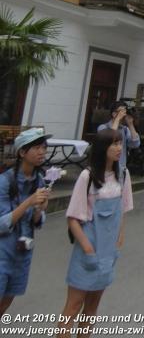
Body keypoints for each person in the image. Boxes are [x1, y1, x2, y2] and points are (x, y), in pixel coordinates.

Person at [60, 129, 133, 333]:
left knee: (92, 308)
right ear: (102, 148)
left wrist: (119, 242)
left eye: (120, 143)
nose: (119, 148)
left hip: (108, 253)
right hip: (87, 251)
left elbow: (123, 211)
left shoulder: (123, 175)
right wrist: (88, 250)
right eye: (114, 144)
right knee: (73, 307)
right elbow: (73, 219)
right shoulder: (87, 176)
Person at [0, 128, 51, 315]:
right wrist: (29, 202)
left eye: (44, 148)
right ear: (22, 152)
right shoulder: (5, 181)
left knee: (6, 302)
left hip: (22, 252)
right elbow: (2, 224)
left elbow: (36, 222)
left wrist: (39, 209)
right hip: (3, 252)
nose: (42, 152)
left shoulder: (39, 180)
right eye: (37, 148)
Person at [98, 101, 140, 172]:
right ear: (114, 114)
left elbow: (135, 144)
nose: (124, 114)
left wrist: (130, 124)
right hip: (104, 168)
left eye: (125, 111)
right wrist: (117, 119)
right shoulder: (103, 127)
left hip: (120, 168)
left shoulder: (125, 129)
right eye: (121, 111)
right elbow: (109, 140)